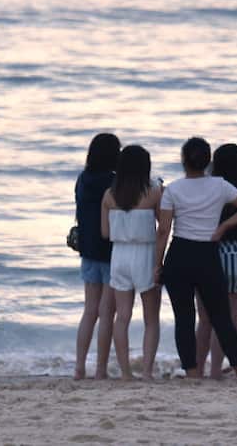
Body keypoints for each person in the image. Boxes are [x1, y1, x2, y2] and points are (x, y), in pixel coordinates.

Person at [156, 137, 237, 379]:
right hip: (207, 254)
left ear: (183, 161)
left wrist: (156, 264)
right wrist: (223, 227)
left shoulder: (173, 189)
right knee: (221, 316)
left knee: (184, 318)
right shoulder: (220, 186)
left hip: (179, 254)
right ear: (207, 161)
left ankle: (192, 374)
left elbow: (163, 231)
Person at [196, 143, 237, 380]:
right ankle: (235, 365)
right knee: (233, 315)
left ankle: (199, 369)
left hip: (209, 254)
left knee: (205, 318)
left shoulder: (208, 192)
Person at [101, 144, 163, 380]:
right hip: (145, 254)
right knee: (150, 318)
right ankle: (147, 371)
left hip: (119, 255)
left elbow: (105, 233)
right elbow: (163, 225)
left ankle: (125, 372)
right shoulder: (153, 192)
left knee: (123, 316)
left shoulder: (108, 195)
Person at [73, 133, 119, 379]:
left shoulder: (83, 179)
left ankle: (79, 367)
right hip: (111, 251)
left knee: (90, 310)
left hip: (88, 250)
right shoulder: (113, 182)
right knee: (107, 312)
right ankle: (100, 369)